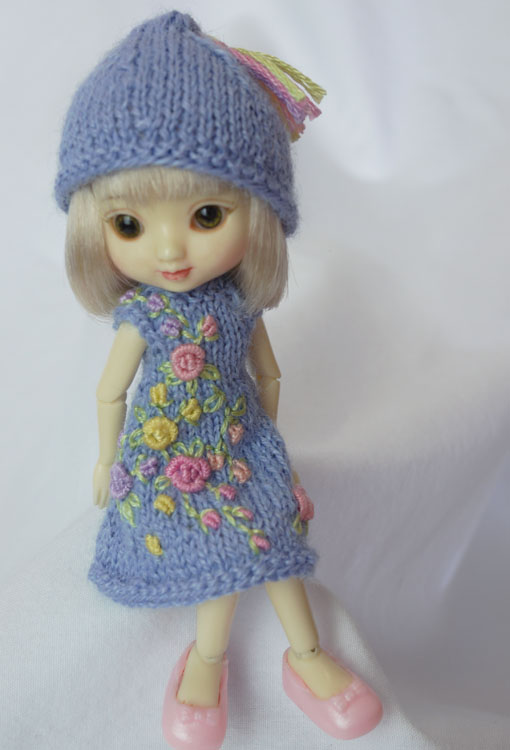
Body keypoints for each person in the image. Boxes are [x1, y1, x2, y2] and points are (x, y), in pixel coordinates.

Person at [54, 11, 382, 749]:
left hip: (243, 443)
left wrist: (265, 434)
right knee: (222, 556)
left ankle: (307, 655)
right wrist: (106, 459)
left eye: (207, 215)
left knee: (278, 542)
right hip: (172, 456)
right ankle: (206, 660)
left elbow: (268, 371)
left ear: (257, 214)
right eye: (129, 225)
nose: (170, 249)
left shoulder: (239, 307)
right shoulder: (144, 316)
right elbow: (110, 391)